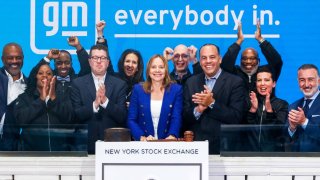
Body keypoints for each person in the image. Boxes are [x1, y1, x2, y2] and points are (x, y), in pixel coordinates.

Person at [183, 43, 246, 154]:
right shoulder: (191, 82)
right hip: (196, 149)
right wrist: (198, 110)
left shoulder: (235, 82)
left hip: (224, 149)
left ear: (220, 59)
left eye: (212, 57)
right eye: (204, 58)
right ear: (200, 61)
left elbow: (236, 117)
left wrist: (212, 103)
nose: (208, 61)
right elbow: (184, 117)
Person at [71, 44, 127, 154]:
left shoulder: (120, 84)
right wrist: (95, 104)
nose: (99, 61)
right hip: (84, 146)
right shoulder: (78, 83)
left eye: (103, 58)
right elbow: (74, 116)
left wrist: (105, 101)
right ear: (89, 61)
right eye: (95, 58)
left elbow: (122, 116)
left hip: (112, 147)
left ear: (108, 62)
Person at [14, 63, 73, 151]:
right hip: (32, 153)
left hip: (59, 153)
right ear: (35, 77)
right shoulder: (24, 97)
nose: (45, 75)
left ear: (53, 78)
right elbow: (20, 120)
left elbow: (69, 119)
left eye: (49, 73)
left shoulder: (62, 96)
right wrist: (41, 100)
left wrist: (53, 99)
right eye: (40, 73)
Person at [128, 55, 182, 141]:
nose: (157, 70)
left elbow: (176, 117)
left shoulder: (176, 90)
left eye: (161, 67)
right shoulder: (138, 89)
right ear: (148, 70)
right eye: (153, 67)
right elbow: (131, 119)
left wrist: (172, 135)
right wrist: (142, 137)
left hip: (167, 144)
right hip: (144, 144)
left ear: (166, 70)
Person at [221, 21, 283, 94]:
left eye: (252, 58)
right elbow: (225, 64)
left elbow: (277, 62)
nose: (248, 61)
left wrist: (260, 39)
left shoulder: (265, 72)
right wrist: (239, 41)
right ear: (240, 61)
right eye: (244, 58)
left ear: (258, 61)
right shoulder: (233, 73)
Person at [244, 66, 288, 152]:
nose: (262, 83)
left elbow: (279, 132)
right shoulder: (249, 102)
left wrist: (269, 111)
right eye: (259, 80)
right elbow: (244, 130)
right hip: (251, 157)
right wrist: (253, 110)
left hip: (274, 157)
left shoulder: (282, 104)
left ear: (274, 84)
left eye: (266, 80)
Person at [286, 64, 320, 152]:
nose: (306, 84)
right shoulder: (293, 106)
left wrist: (304, 122)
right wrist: (292, 128)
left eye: (310, 79)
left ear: (319, 81)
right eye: (302, 80)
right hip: (296, 162)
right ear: (298, 82)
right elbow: (284, 140)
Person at [0, 42, 27, 151]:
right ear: (3, 59)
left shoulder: (28, 85)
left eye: (18, 58)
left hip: (12, 145)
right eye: (10, 58)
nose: (14, 61)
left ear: (23, 59)